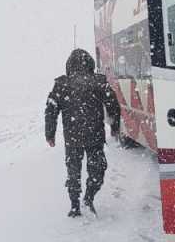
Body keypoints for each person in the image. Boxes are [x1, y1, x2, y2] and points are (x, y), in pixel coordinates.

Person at [45, 49, 121, 218]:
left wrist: (49, 134)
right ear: (91, 64)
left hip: (73, 139)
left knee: (73, 173)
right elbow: (113, 103)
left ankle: (75, 206)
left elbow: (51, 108)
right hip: (95, 137)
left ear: (69, 66)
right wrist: (115, 126)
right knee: (97, 171)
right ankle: (88, 197)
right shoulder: (98, 81)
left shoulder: (62, 84)